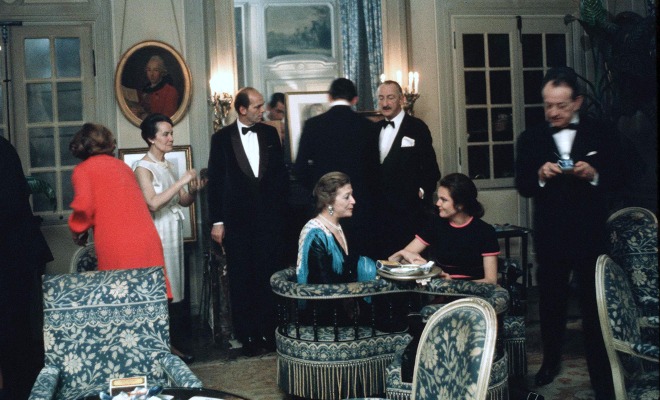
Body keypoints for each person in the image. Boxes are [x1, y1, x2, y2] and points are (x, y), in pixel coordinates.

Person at [514, 66, 619, 399]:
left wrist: (595, 175)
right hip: (551, 237)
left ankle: (602, 374)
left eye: (560, 105)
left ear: (577, 102)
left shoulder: (602, 132)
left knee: (594, 307)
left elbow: (626, 174)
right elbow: (523, 185)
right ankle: (550, 362)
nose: (553, 112)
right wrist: (540, 176)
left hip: (590, 235)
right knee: (551, 303)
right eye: (548, 105)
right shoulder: (531, 138)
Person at [207, 87, 289, 357]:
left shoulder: (270, 134)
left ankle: (269, 332)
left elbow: (279, 177)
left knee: (268, 275)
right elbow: (216, 182)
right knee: (242, 279)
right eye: (257, 106)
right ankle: (248, 336)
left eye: (262, 105)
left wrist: (282, 214)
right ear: (242, 109)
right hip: (237, 222)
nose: (262, 110)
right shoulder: (221, 138)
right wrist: (217, 221)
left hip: (269, 221)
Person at [133, 113, 205, 362]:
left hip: (172, 230)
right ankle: (163, 348)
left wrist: (192, 190)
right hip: (157, 231)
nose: (171, 138)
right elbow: (152, 203)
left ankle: (170, 345)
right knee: (162, 288)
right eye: (165, 134)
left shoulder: (168, 165)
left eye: (172, 133)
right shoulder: (142, 167)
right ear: (151, 138)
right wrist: (182, 180)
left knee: (174, 287)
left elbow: (182, 200)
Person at [294, 78, 380, 259]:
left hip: (325, 205)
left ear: (329, 97)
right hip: (359, 205)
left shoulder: (313, 125)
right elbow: (374, 172)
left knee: (326, 256)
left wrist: (320, 190)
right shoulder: (368, 127)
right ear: (355, 99)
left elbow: (300, 169)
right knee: (357, 256)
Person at [0, 135, 53, 400]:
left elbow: (8, 203)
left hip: (12, 256)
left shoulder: (1, 149)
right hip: (14, 253)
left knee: (15, 330)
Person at [389, 173, 499, 284]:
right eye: (438, 198)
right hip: (442, 290)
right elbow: (403, 256)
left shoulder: (485, 232)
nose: (437, 203)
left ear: (460, 204)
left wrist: (453, 284)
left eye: (444, 199)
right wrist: (412, 260)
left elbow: (491, 281)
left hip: (474, 293)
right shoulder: (436, 224)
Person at [372, 80, 441, 258]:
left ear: (401, 99)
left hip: (410, 213)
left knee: (409, 263)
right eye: (381, 98)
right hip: (380, 215)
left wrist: (420, 192)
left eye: (390, 97)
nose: (385, 103)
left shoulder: (417, 127)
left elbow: (431, 169)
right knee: (385, 262)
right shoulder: (373, 129)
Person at [296, 172, 376, 285]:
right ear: (329, 201)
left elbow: (350, 268)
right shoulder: (316, 235)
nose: (353, 201)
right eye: (347, 197)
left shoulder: (339, 227)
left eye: (352, 195)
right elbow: (320, 285)